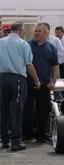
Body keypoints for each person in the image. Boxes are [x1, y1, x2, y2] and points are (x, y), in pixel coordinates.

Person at [0, 22, 41, 151]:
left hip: (2, 78)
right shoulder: (23, 44)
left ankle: (5, 140)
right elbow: (29, 64)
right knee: (17, 110)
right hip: (17, 79)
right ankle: (15, 141)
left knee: (3, 110)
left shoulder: (1, 42)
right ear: (21, 31)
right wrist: (36, 80)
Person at [23, 23, 59, 143]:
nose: (36, 33)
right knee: (27, 109)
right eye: (36, 31)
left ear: (46, 33)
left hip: (44, 84)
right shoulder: (27, 45)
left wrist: (53, 81)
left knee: (43, 110)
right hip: (28, 83)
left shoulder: (51, 48)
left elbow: (55, 66)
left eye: (39, 31)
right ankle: (26, 134)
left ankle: (40, 135)